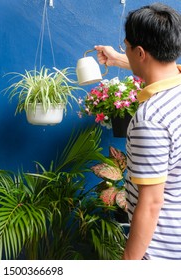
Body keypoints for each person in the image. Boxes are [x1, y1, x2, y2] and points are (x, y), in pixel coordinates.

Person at [94, 3, 181, 260]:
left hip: (159, 253)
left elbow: (151, 203)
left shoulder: (150, 119)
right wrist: (121, 59)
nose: (125, 51)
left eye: (126, 47)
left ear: (141, 52)